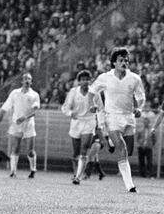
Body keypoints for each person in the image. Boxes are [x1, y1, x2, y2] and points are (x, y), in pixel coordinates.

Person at [89, 47, 146, 192]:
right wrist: (92, 105)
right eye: (121, 60)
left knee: (129, 150)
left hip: (128, 117)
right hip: (112, 116)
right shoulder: (105, 77)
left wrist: (139, 109)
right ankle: (130, 186)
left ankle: (109, 140)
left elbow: (141, 98)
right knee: (121, 147)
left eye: (126, 60)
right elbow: (91, 91)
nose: (124, 63)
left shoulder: (134, 78)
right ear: (114, 62)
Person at [0, 72, 41, 178]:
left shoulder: (34, 95)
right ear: (22, 81)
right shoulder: (15, 93)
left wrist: (24, 117)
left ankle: (33, 169)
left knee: (30, 151)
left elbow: (34, 110)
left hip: (28, 124)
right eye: (25, 79)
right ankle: (13, 171)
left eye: (29, 79)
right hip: (16, 124)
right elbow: (5, 107)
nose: (27, 81)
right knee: (15, 148)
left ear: (31, 82)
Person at [61, 70, 103, 184]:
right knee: (76, 152)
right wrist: (71, 113)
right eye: (83, 79)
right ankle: (76, 173)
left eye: (87, 79)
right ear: (79, 81)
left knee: (84, 148)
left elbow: (101, 108)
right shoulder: (73, 92)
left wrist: (96, 110)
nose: (85, 82)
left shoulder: (95, 93)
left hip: (89, 122)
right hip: (76, 122)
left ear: (90, 81)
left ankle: (78, 177)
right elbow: (65, 108)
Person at [136, 105, 156, 177]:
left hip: (148, 147)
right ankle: (142, 173)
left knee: (149, 161)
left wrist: (151, 145)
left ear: (148, 123)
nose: (146, 123)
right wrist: (139, 143)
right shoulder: (140, 130)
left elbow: (154, 139)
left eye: (147, 122)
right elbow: (138, 138)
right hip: (141, 147)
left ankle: (150, 173)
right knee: (141, 161)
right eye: (145, 122)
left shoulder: (151, 131)